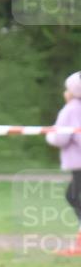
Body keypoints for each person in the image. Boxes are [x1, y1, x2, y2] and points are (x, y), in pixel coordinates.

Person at [46, 71, 81, 256]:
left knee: (74, 197)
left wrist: (50, 136)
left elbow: (61, 137)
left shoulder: (71, 109)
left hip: (79, 164)